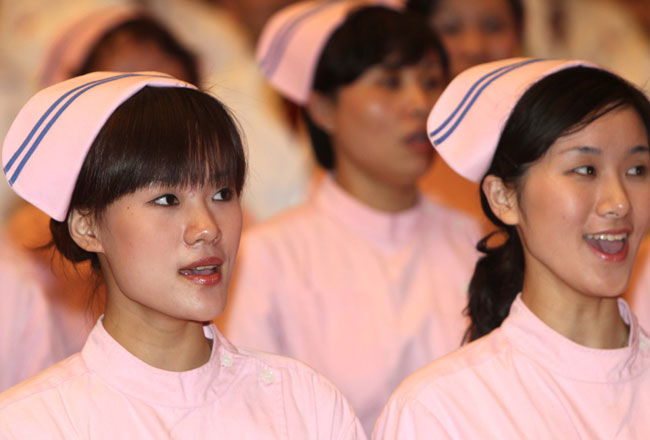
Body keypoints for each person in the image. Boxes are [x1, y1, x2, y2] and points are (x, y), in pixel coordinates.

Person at [0, 72, 365, 439]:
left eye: (222, 194)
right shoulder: (33, 424)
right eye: (167, 200)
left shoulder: (303, 405)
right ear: (87, 226)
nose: (207, 227)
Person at [223, 2, 481, 434]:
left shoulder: (469, 236)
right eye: (389, 83)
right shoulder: (270, 257)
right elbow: (252, 415)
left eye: (432, 82)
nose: (420, 104)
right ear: (323, 109)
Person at [373, 58, 650, 438]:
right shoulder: (443, 410)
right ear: (504, 198)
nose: (619, 202)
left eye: (637, 170)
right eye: (585, 170)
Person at [406, 0, 524, 220]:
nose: (474, 48)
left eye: (493, 27)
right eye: (451, 28)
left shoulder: (546, 137)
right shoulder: (406, 142)